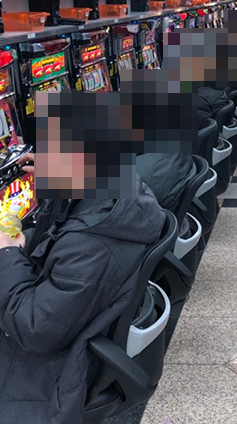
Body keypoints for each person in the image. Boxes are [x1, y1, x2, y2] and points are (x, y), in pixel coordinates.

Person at [1, 156, 165, 422]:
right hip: (72, 320)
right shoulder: (122, 190)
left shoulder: (91, 241)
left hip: (58, 368)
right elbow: (54, 241)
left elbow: (34, 327)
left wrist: (7, 254)